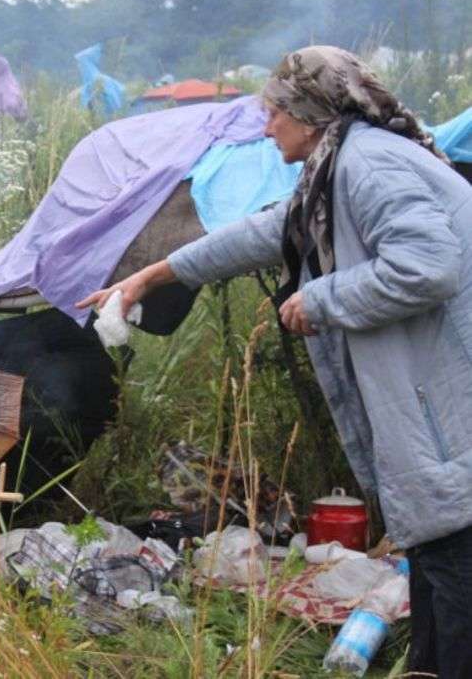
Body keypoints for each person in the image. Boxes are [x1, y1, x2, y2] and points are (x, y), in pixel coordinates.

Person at [78, 45, 472, 678]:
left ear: (309, 113)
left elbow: (429, 266)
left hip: (451, 399)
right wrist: (152, 276)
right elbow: (270, 232)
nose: (265, 129)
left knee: (456, 566)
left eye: (273, 115)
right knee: (438, 559)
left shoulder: (368, 166)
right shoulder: (336, 166)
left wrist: (322, 297)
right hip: (437, 398)